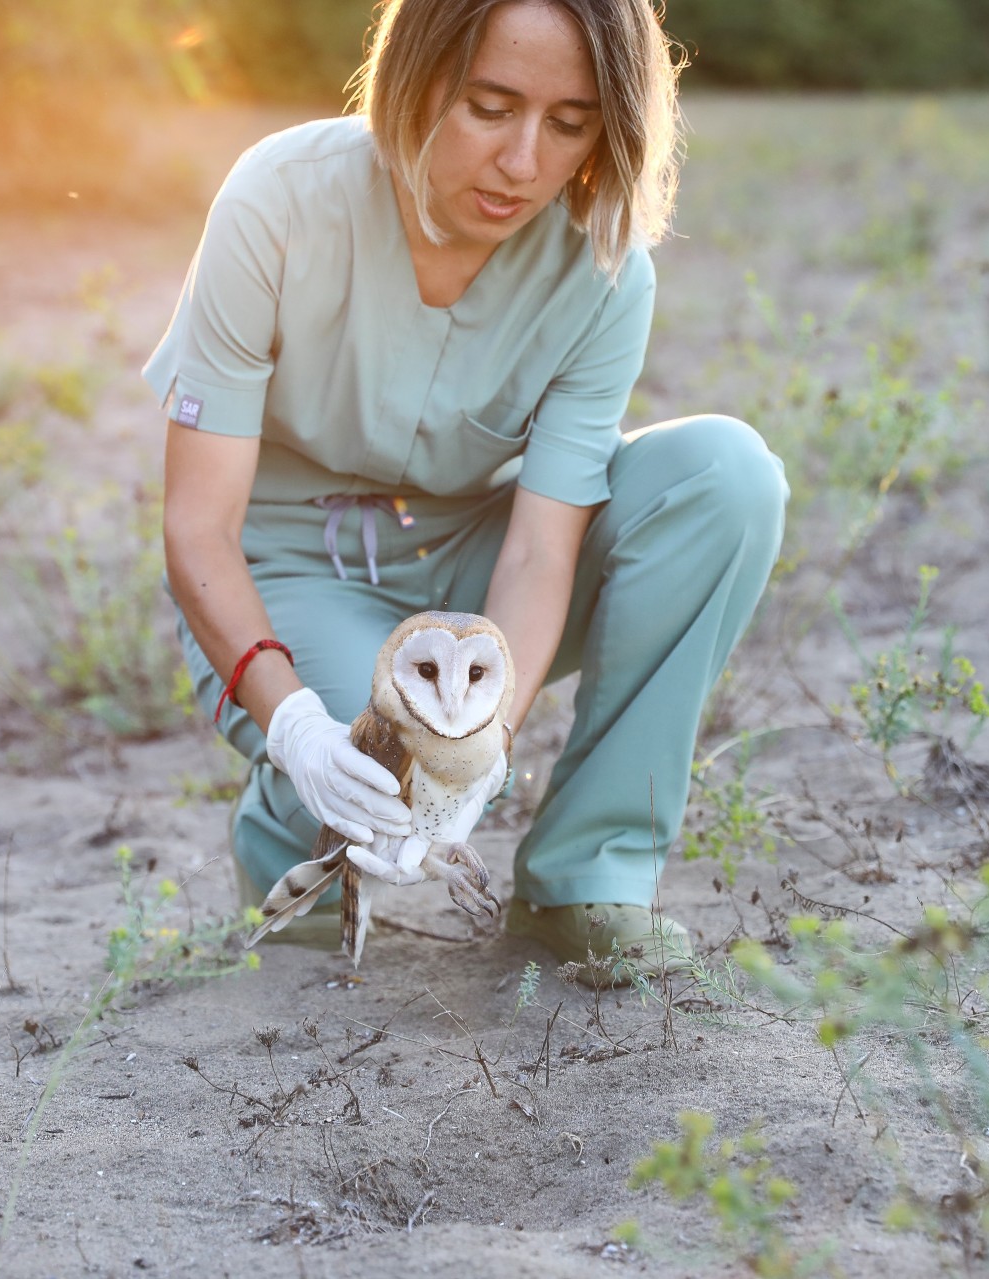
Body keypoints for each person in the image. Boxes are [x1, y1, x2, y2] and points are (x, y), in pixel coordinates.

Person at [145, 0, 788, 986]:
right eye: (491, 107)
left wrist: (480, 748)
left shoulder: (606, 268)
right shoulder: (276, 200)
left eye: (570, 123)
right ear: (417, 77)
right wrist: (303, 732)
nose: (524, 162)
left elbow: (538, 551)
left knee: (725, 475)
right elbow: (197, 529)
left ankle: (585, 878)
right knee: (366, 747)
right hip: (288, 563)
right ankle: (294, 847)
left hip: (468, 563)